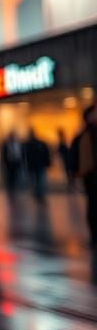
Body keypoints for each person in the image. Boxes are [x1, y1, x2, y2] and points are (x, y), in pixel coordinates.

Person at [71, 104, 97, 247]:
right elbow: (74, 158)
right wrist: (74, 176)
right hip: (91, 178)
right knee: (93, 207)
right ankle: (94, 236)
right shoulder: (82, 137)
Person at [22, 127, 51, 203]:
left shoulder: (30, 144)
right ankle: (38, 194)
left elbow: (45, 154)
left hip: (37, 165)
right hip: (36, 165)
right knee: (38, 180)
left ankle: (39, 194)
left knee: (38, 180)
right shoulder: (30, 144)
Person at [0, 130, 23, 197]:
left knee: (16, 175)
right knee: (10, 176)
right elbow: (4, 154)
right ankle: (11, 188)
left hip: (16, 162)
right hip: (9, 163)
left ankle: (15, 187)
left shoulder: (18, 144)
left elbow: (20, 153)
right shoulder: (6, 144)